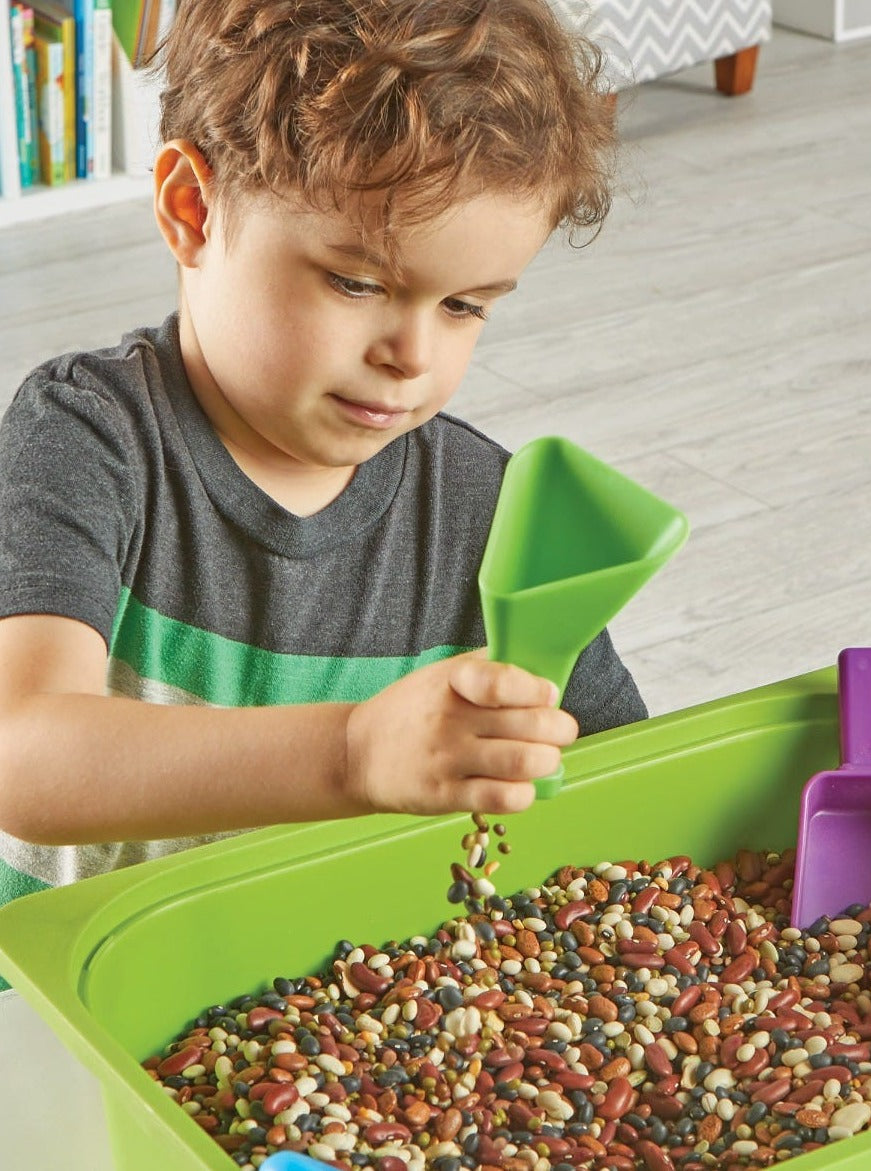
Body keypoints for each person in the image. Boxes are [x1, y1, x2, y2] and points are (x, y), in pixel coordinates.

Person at [0, 0, 644, 917]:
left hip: (323, 1000)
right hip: (58, 1005)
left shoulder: (492, 511)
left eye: (465, 306)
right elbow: (21, 757)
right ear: (192, 207)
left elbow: (616, 779)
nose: (412, 355)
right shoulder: (87, 435)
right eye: (356, 281)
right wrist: (351, 754)